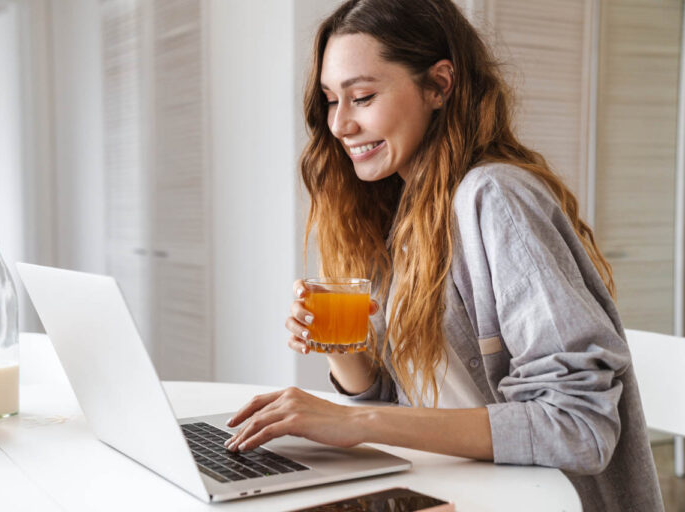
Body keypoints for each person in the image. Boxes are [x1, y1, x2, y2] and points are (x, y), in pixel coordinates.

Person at [223, 0, 664, 510]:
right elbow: (403, 410)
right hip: (450, 493)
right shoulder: (397, 215)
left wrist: (351, 421)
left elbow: (578, 427)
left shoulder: (493, 197)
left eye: (361, 96)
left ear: (439, 85)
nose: (339, 124)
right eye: (329, 100)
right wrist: (342, 348)